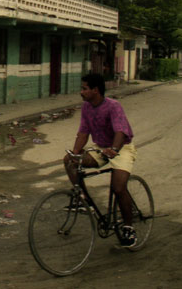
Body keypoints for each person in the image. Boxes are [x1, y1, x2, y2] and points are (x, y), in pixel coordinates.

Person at [63, 73, 138, 248]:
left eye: (84, 88)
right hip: (101, 147)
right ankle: (83, 199)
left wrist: (115, 149)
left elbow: (120, 131)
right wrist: (75, 154)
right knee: (70, 161)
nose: (81, 92)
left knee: (118, 188)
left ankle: (129, 227)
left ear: (95, 90)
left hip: (122, 148)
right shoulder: (86, 107)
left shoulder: (113, 106)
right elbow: (83, 132)